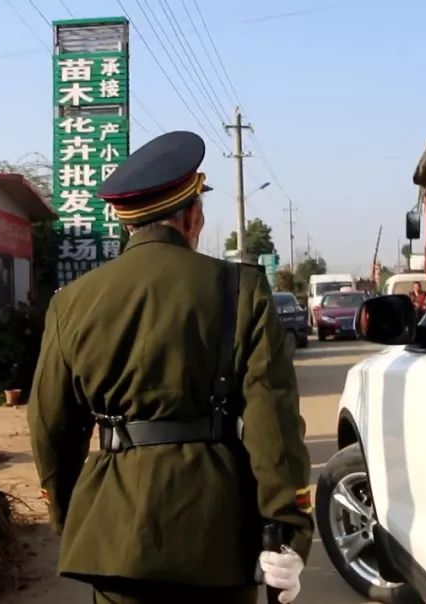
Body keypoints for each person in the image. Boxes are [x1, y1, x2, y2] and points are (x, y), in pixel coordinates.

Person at [28, 131, 313, 604]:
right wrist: (287, 530)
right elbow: (274, 424)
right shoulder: (240, 290)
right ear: (193, 216)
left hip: (115, 535)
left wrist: (70, 515)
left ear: (127, 223)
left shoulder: (70, 304)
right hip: (217, 534)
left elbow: (49, 426)